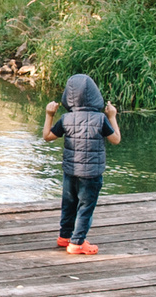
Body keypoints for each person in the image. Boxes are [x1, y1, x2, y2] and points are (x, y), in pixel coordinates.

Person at [43, 72, 122, 254]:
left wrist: (49, 114)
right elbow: (116, 139)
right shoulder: (100, 119)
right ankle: (77, 242)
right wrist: (112, 116)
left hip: (70, 171)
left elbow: (47, 136)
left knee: (69, 204)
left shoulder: (66, 119)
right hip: (91, 174)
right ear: (95, 96)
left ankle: (64, 237)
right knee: (85, 207)